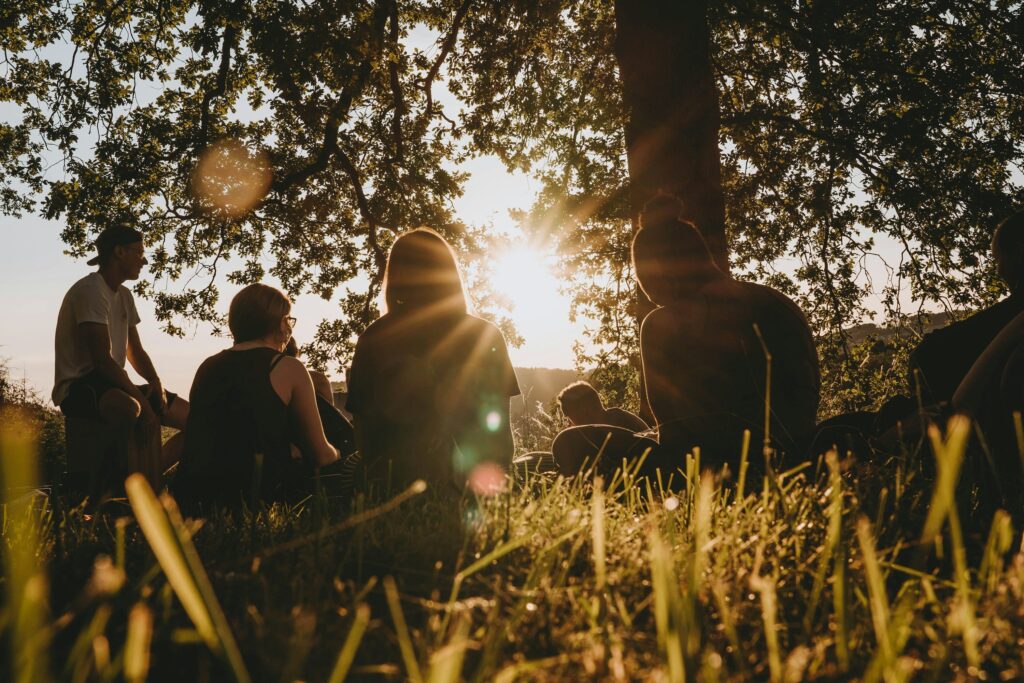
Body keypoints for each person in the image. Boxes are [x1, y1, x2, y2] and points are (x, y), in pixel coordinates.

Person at [635, 195, 820, 473]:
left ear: (662, 269)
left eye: (643, 274)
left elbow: (669, 427)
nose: (646, 289)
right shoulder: (775, 299)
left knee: (573, 441)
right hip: (795, 448)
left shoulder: (662, 323)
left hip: (717, 459)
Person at [345, 228, 520, 491]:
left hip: (394, 479)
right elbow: (501, 433)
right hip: (476, 478)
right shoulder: (486, 335)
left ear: (396, 274)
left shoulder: (373, 337)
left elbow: (364, 434)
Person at [174, 284, 339, 507]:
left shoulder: (208, 366)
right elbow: (321, 457)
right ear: (280, 323)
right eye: (288, 320)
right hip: (259, 495)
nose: (290, 328)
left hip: (195, 496)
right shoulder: (288, 367)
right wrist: (341, 453)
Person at [53, 225, 189, 490]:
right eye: (139, 252)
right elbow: (102, 360)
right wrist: (145, 404)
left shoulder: (124, 296)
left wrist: (155, 381)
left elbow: (135, 351)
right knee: (130, 408)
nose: (145, 260)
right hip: (80, 386)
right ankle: (109, 486)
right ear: (119, 252)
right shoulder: (90, 290)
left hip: (112, 382)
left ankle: (145, 476)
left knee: (195, 420)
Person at [909, 211, 1024, 406]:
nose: (998, 271)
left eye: (998, 260)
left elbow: (925, 358)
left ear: (1020, 252)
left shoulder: (1014, 314)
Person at [550, 381, 655, 476]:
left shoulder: (621, 422)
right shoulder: (603, 428)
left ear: (582, 412)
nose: (570, 423)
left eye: (569, 416)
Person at [557, 381, 649, 432]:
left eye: (570, 417)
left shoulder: (623, 423)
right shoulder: (595, 433)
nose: (570, 424)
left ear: (584, 412)